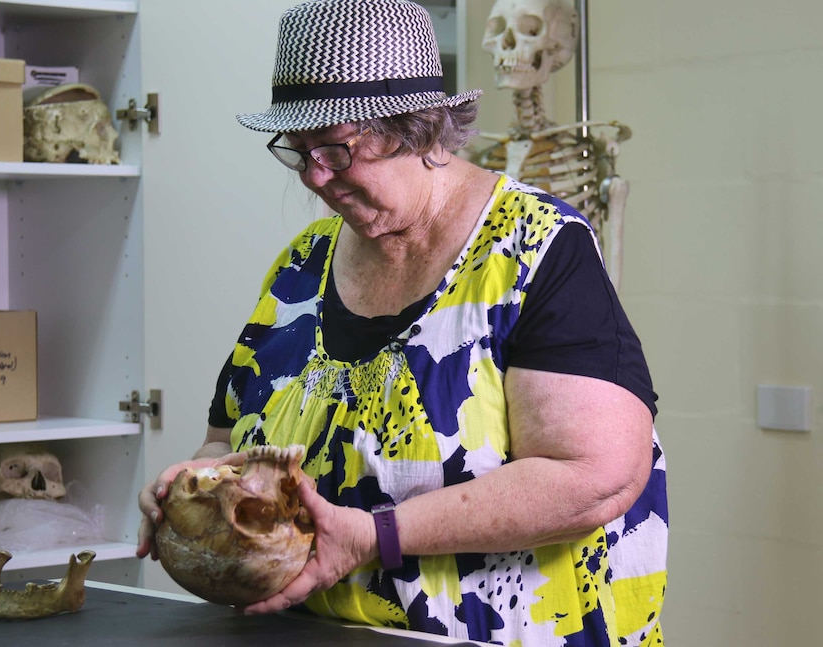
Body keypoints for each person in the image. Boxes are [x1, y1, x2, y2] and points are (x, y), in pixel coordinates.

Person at [136, 1, 668, 645]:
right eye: (297, 151)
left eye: (335, 147)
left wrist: (372, 537)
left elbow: (594, 478)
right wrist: (196, 490)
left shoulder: (538, 250)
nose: (315, 176)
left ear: (418, 130)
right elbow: (225, 441)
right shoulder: (303, 264)